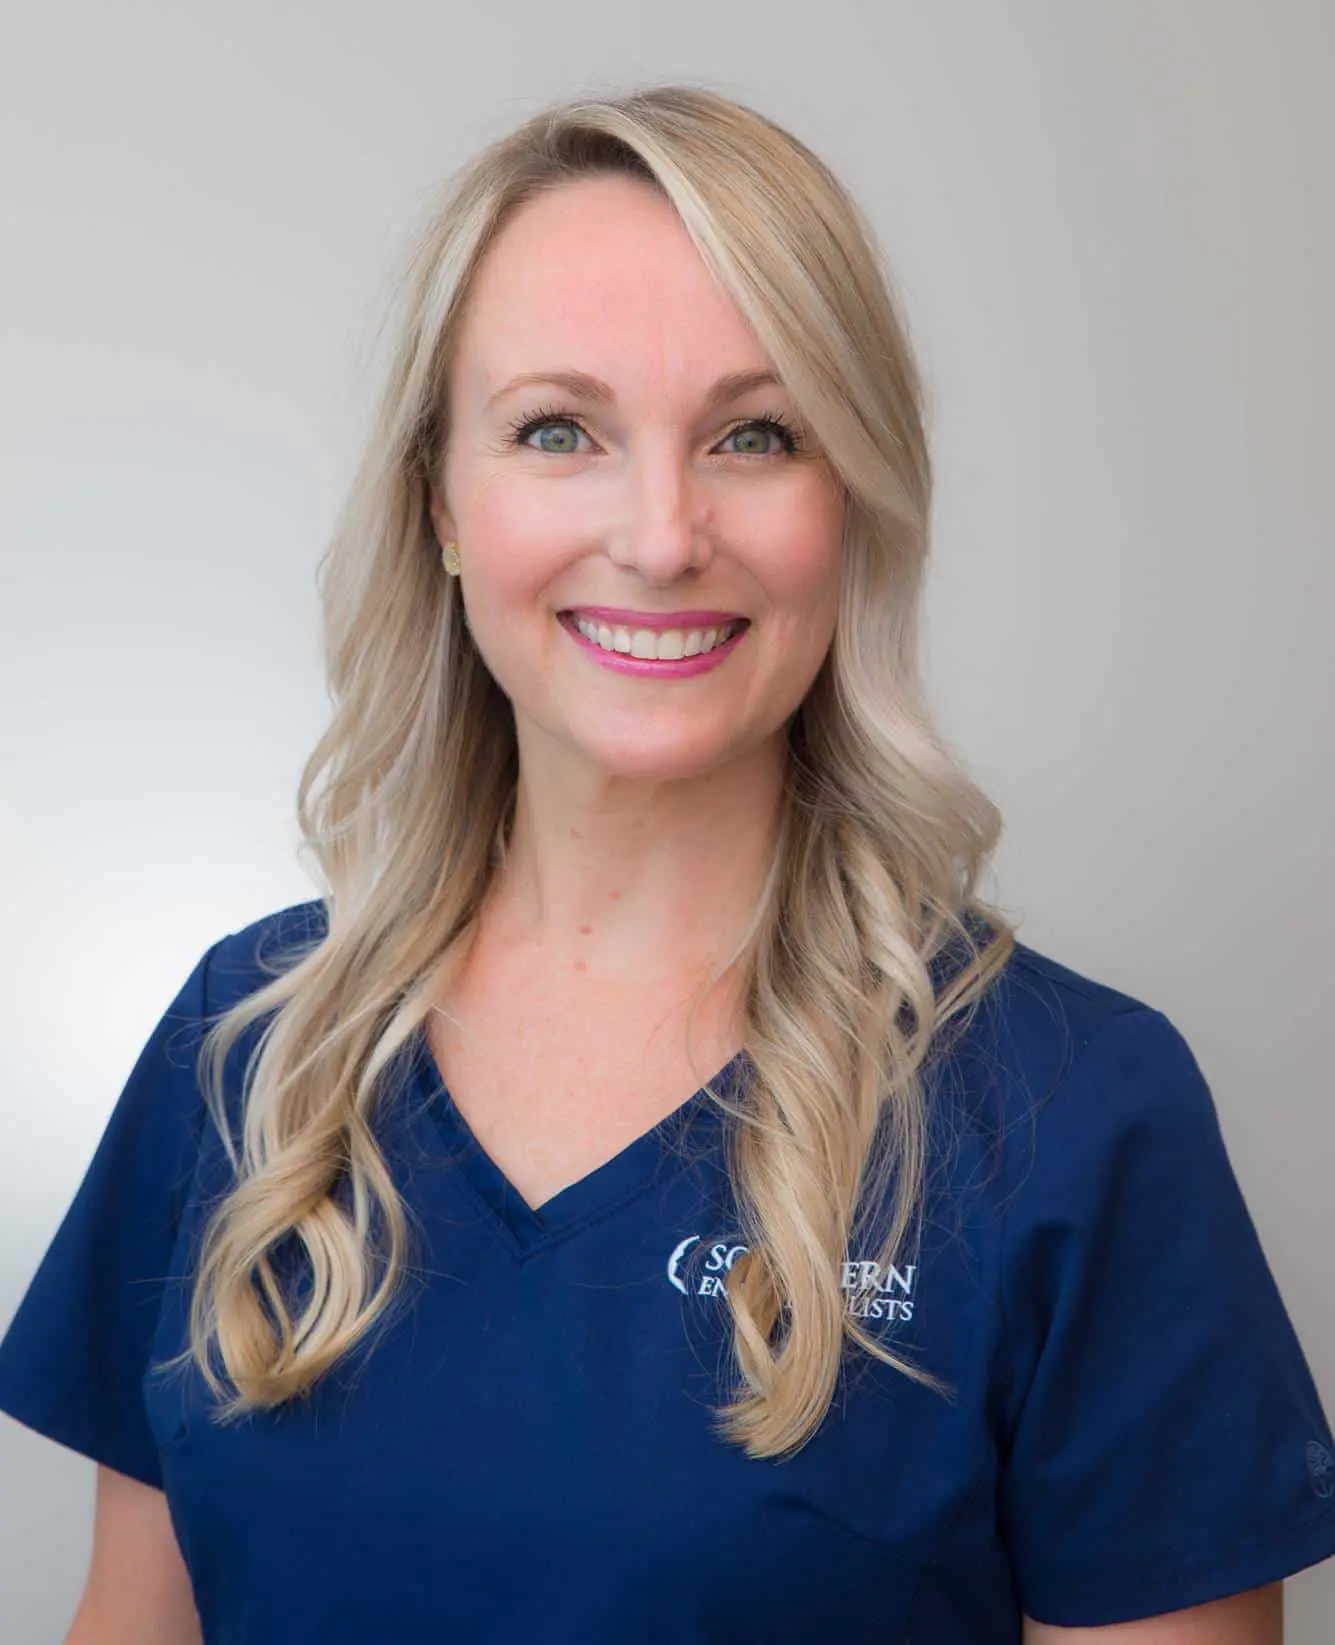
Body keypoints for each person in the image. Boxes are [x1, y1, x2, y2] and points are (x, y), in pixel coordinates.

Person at [0, 82, 1332, 1645]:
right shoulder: (251, 1047)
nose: (657, 532)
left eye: (755, 435)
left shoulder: (1072, 1109)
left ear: (851, 505)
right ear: (440, 501)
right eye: (556, 429)